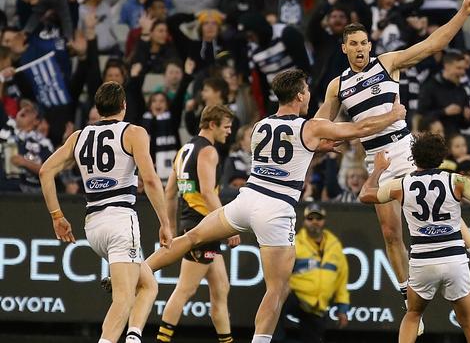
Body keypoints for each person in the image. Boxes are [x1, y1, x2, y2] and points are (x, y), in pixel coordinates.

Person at [143, 68, 406, 343]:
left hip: (246, 200)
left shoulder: (260, 126)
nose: (308, 96)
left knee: (191, 237)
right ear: (299, 95)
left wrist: (315, 147)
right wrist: (393, 115)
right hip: (276, 208)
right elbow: (359, 129)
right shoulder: (311, 127)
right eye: (305, 92)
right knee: (277, 290)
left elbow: (284, 152)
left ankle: (143, 269)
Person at [315, 0, 470, 334]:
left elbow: (433, 44)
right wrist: (323, 141)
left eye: (363, 43)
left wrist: (463, 13)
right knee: (390, 233)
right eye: (352, 44)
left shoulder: (388, 64)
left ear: (370, 45)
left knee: (438, 207)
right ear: (344, 48)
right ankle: (407, 295)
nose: (358, 49)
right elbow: (321, 125)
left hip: (405, 149)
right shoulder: (336, 86)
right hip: (376, 160)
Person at [38, 81, 173, 343]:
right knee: (123, 299)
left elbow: (45, 171)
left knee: (148, 285)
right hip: (121, 221)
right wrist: (165, 222)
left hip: (94, 226)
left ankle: (133, 337)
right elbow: (152, 180)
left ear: (98, 108)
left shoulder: (79, 137)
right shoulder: (134, 133)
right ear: (124, 106)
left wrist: (57, 215)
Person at [358, 133, 470, 343]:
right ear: (442, 158)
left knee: (413, 315)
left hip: (422, 261)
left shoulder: (401, 185)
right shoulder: (456, 181)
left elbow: (365, 194)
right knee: (469, 323)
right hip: (455, 261)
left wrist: (379, 168)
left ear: (413, 158)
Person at [156, 105, 240, 343]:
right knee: (185, 289)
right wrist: (228, 225)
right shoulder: (209, 152)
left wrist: (169, 226)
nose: (229, 131)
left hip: (190, 223)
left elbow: (170, 192)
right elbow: (207, 193)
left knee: (221, 287)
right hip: (203, 227)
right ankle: (162, 339)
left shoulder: (184, 150)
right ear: (212, 125)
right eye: (226, 126)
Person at [275, 203, 350, 343]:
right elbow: (279, 273)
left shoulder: (335, 245)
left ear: (324, 220)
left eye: (318, 218)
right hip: (295, 297)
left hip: (317, 304)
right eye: (310, 218)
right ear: (304, 221)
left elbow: (341, 279)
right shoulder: (295, 242)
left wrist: (343, 308)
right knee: (276, 300)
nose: (314, 222)